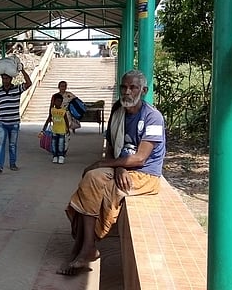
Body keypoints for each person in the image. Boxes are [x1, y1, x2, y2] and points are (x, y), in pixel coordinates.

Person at [57, 70, 166, 276]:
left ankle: (87, 246)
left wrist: (106, 163)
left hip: (145, 175)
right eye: (124, 87)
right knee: (90, 180)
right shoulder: (119, 114)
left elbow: (141, 158)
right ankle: (86, 246)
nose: (127, 91)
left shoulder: (153, 117)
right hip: (123, 169)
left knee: (94, 180)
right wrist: (117, 166)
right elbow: (113, 150)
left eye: (133, 87)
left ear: (144, 90)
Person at [0, 65, 32, 173]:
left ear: (11, 79)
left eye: (7, 78)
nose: (4, 80)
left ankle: (13, 164)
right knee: (0, 144)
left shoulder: (17, 89)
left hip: (14, 123)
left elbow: (29, 83)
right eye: (3, 78)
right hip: (1, 123)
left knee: (12, 145)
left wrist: (22, 69)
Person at [42, 93, 70, 164]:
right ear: (54, 102)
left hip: (62, 130)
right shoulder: (52, 110)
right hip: (54, 130)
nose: (59, 103)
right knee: (54, 143)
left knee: (61, 144)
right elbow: (49, 118)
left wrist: (68, 128)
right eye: (57, 101)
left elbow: (66, 120)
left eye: (60, 101)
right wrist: (44, 128)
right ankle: (55, 156)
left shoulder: (63, 111)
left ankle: (61, 156)